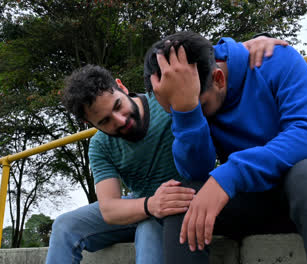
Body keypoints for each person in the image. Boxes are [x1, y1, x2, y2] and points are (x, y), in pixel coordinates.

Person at [45, 36, 289, 264]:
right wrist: (151, 204)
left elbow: (201, 61)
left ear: (121, 86)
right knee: (65, 225)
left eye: (118, 106)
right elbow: (109, 208)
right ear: (91, 124)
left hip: (183, 201)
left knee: (150, 230)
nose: (120, 120)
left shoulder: (167, 99)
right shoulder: (100, 145)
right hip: (143, 204)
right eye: (105, 121)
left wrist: (250, 43)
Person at [144, 31, 307, 264]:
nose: (194, 114)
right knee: (182, 200)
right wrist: (187, 113)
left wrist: (232, 173)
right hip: (262, 199)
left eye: (201, 107)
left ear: (219, 79)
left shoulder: (274, 58)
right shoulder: (187, 98)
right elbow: (196, 172)